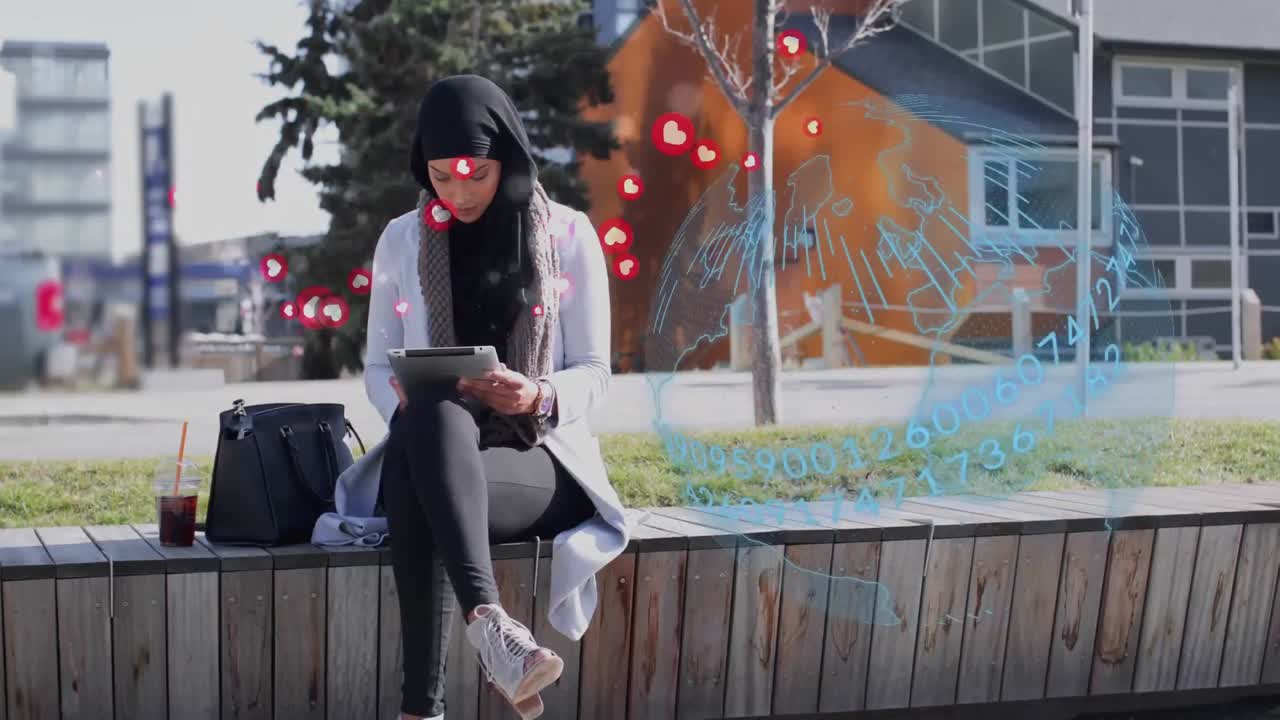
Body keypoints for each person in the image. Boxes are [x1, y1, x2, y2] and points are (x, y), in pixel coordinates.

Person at [314, 75, 637, 720]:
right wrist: (407, 402)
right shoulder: (402, 239)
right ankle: (493, 633)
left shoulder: (568, 236)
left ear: (508, 159)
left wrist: (537, 394)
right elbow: (378, 368)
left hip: (541, 458)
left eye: (477, 174)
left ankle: (422, 706)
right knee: (429, 419)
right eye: (441, 175)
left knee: (416, 473)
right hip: (444, 448)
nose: (459, 193)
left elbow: (597, 370)